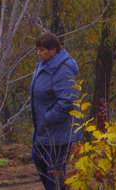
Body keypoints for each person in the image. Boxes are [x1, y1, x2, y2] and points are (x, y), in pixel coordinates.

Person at [30, 32, 81, 190]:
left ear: (53, 50)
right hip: (43, 130)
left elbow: (68, 101)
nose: (38, 53)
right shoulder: (43, 63)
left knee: (54, 173)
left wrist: (47, 118)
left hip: (59, 132)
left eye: (42, 50)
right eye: (38, 50)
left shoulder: (63, 69)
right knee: (39, 161)